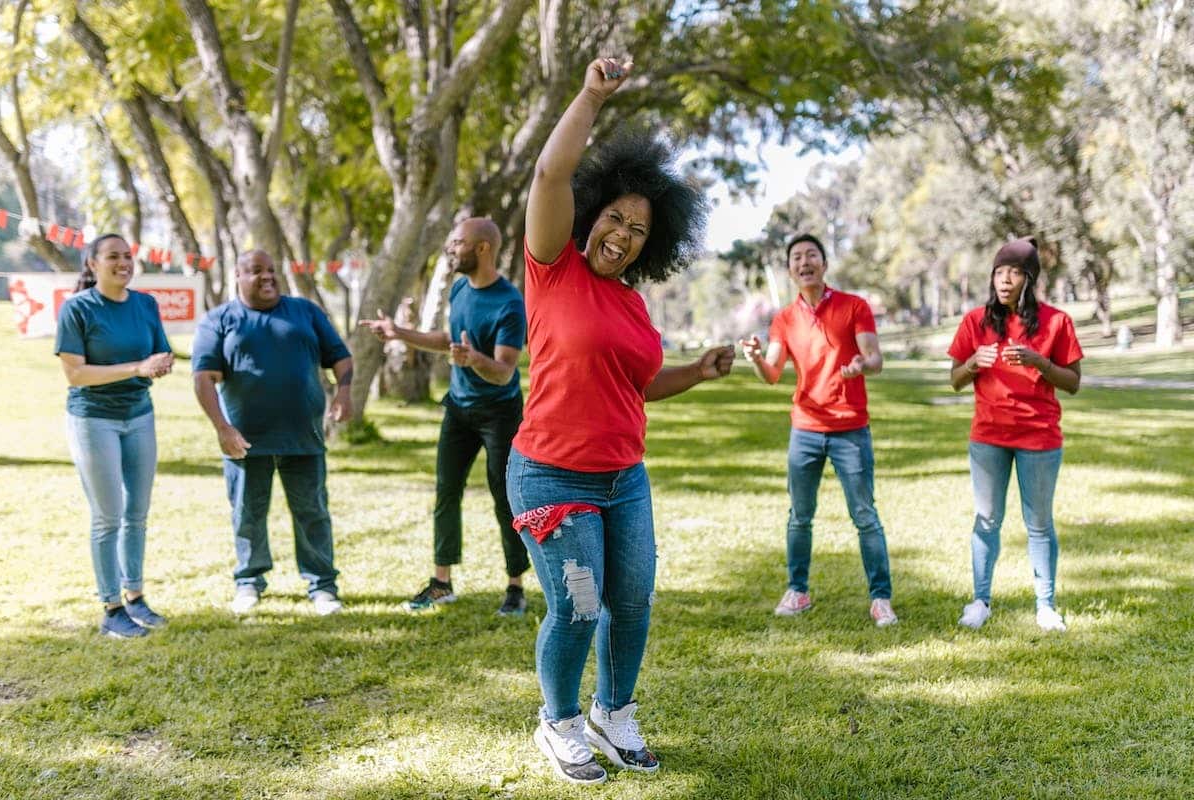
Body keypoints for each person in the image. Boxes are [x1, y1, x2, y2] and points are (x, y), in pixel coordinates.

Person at [509, 57, 734, 785]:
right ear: (591, 212)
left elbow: (635, 386)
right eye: (614, 218)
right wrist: (590, 95)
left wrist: (696, 373)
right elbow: (548, 177)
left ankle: (614, 713)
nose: (623, 235)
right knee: (577, 607)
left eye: (639, 230)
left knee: (631, 604)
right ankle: (559, 722)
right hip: (550, 474)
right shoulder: (552, 267)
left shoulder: (634, 306)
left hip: (622, 477)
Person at [359, 217, 530, 616]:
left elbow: (504, 369)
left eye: (458, 243)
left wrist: (473, 360)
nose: (451, 250)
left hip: (500, 413)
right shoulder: (458, 289)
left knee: (505, 498)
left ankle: (515, 586)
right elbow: (446, 340)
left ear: (483, 248)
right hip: (459, 408)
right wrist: (400, 332)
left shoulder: (509, 304)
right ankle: (441, 582)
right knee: (445, 492)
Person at [740, 233, 897, 627]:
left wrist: (863, 364)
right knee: (799, 516)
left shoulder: (854, 306)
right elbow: (773, 374)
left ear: (824, 265)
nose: (804, 262)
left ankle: (881, 598)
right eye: (796, 257)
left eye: (812, 255)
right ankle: (798, 590)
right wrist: (757, 358)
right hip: (805, 429)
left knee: (864, 516)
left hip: (850, 428)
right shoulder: (785, 319)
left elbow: (875, 358)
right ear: (791, 269)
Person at [191, 250, 353, 616]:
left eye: (271, 270)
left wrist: (344, 391)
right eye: (255, 271)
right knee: (248, 513)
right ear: (237, 276)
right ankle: (249, 582)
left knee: (312, 511)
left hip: (303, 435)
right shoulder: (219, 320)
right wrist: (222, 428)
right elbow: (203, 377)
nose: (267, 277)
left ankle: (322, 586)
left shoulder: (305, 312)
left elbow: (340, 357)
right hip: (246, 439)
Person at [948, 237, 1082, 632]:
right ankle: (980, 600)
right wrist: (973, 363)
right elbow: (955, 380)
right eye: (999, 271)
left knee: (1038, 523)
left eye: (1014, 272)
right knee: (987, 519)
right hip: (987, 436)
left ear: (1030, 277)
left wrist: (1040, 361)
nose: (1004, 280)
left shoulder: (1057, 322)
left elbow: (1073, 383)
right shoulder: (975, 321)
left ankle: (1045, 605)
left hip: (1039, 438)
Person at [55, 233, 175, 638]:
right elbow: (75, 374)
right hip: (94, 420)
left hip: (139, 416)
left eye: (128, 256)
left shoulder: (146, 304)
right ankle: (111, 609)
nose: (123, 263)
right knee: (108, 516)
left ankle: (136, 597)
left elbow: (160, 351)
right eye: (113, 257)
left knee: (136, 514)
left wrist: (160, 364)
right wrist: (137, 368)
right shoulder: (77, 309)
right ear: (92, 264)